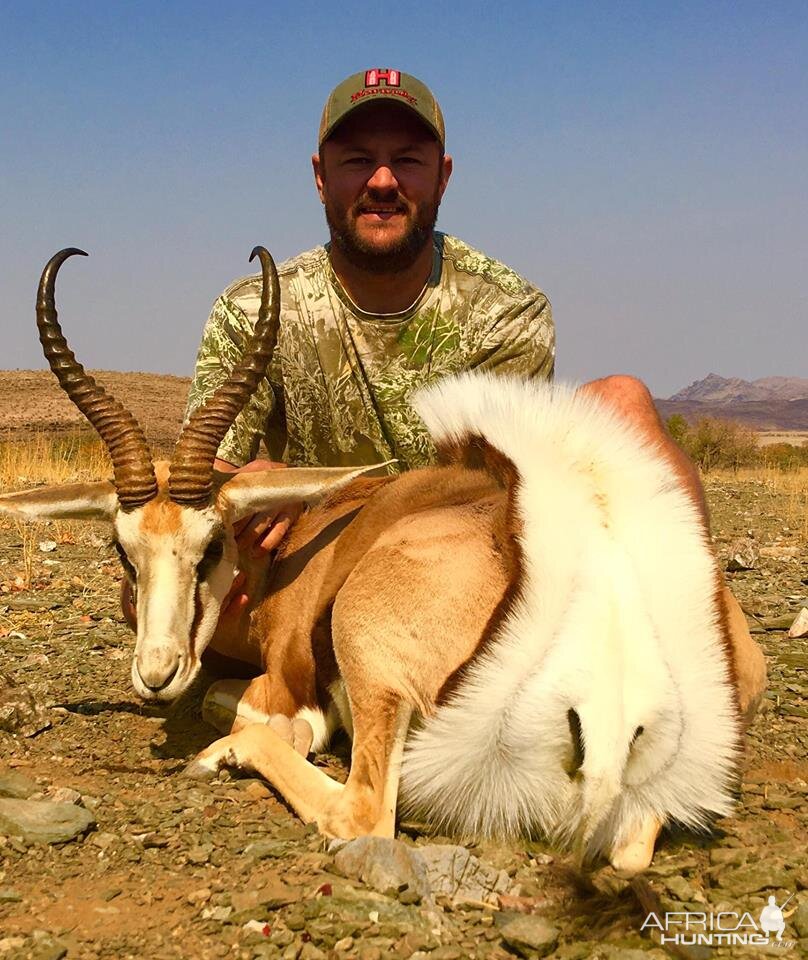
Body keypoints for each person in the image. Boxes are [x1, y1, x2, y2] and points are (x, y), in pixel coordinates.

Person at [125, 69, 766, 721]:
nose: (382, 181)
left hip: (445, 564)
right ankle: (340, 693)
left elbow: (492, 495)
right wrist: (243, 490)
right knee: (153, 571)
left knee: (620, 401)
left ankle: (695, 664)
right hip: (306, 575)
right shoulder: (254, 310)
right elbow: (201, 485)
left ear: (443, 176)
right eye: (357, 161)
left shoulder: (504, 309)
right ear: (321, 176)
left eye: (406, 160)